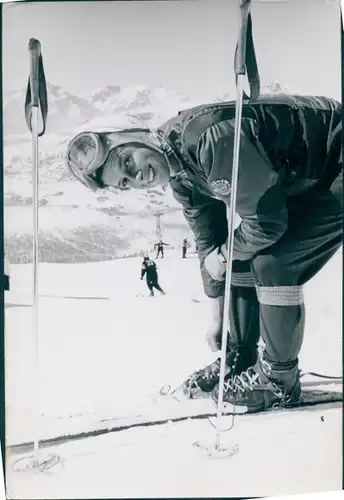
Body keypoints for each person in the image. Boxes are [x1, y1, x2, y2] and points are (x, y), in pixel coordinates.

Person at [66, 94, 342, 413]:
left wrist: (223, 256)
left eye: (128, 162)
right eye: (126, 183)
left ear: (137, 136)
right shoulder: (181, 176)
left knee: (274, 262)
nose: (137, 178)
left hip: (335, 162)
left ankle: (280, 381)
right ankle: (239, 359)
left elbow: (267, 223)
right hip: (308, 178)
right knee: (239, 259)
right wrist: (216, 318)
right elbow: (208, 242)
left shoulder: (209, 141)